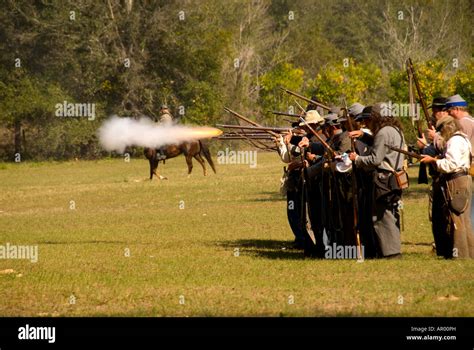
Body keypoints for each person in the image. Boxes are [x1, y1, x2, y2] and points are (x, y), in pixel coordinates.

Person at [349, 102, 406, 258]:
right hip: (395, 178)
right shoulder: (395, 130)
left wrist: (357, 159)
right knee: (390, 214)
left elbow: (375, 159)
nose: (366, 123)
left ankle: (391, 253)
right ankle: (390, 251)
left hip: (383, 179)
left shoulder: (382, 132)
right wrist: (364, 135)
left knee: (382, 217)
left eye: (369, 119)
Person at [420, 116, 474, 259]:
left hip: (456, 181)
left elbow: (451, 164)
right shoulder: (462, 139)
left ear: (448, 127)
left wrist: (433, 161)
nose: (440, 133)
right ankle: (467, 253)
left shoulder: (454, 141)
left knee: (455, 217)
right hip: (463, 179)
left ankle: (460, 254)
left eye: (441, 130)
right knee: (463, 218)